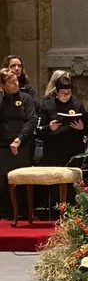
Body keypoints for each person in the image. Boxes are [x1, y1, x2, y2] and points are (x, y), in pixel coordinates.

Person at [0, 68, 37, 218]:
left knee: (23, 182)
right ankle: (6, 213)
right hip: (3, 146)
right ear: (3, 85)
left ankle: (26, 212)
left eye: (16, 80)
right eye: (11, 82)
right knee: (3, 183)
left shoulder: (25, 98)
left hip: (22, 145)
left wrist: (19, 139)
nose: (16, 84)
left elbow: (31, 119)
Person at [37, 75, 88, 166]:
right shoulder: (47, 105)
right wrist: (49, 128)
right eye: (63, 92)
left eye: (68, 92)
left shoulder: (77, 104)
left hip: (74, 150)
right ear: (56, 91)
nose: (66, 95)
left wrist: (82, 127)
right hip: (54, 152)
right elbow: (39, 130)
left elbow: (87, 128)